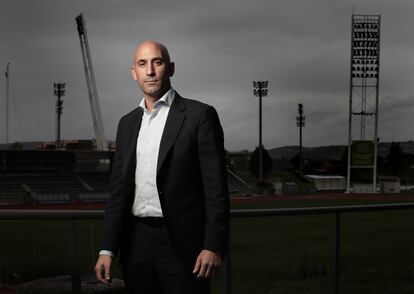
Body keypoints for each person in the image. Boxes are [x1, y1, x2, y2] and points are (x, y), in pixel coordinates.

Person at [94, 40, 230, 294]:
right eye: (142, 64)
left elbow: (216, 190)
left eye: (157, 62)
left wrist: (213, 245)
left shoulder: (200, 116)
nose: (150, 71)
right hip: (136, 245)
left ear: (171, 67)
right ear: (134, 72)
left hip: (183, 246)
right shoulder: (127, 124)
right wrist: (107, 248)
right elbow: (118, 192)